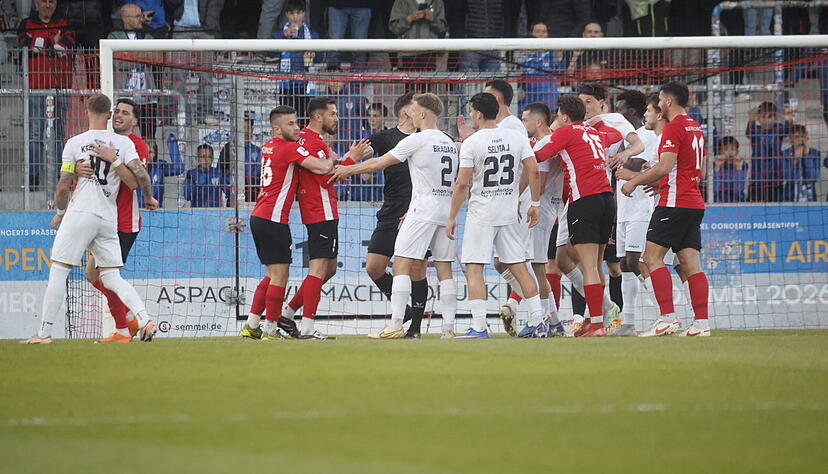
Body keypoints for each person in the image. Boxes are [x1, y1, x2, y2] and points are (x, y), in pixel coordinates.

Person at [21, 94, 158, 344]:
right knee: (111, 276)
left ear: (86, 112)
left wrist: (62, 210)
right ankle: (145, 319)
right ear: (109, 115)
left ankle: (44, 333)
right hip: (108, 217)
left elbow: (63, 187)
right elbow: (141, 176)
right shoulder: (123, 142)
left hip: (81, 213)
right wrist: (149, 197)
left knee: (60, 270)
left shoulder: (74, 143)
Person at [329, 93, 459, 339]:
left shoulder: (417, 140)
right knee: (444, 269)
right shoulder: (447, 141)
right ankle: (448, 329)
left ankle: (396, 324)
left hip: (420, 210)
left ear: (421, 114)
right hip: (444, 209)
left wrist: (348, 168)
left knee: (402, 264)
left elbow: (378, 164)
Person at [447, 92, 543, 339]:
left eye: (471, 111)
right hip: (510, 211)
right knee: (520, 267)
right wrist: (534, 203)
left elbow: (461, 184)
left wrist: (451, 217)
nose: (471, 115)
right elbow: (533, 170)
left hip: (482, 213)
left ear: (478, 113)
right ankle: (538, 321)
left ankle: (479, 327)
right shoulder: (516, 136)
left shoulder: (472, 142)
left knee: (475, 267)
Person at [620, 82, 711, 337]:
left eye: (659, 99)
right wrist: (663, 182)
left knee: (650, 259)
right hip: (693, 202)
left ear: (668, 102)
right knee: (691, 264)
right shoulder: (696, 128)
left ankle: (667, 318)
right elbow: (700, 171)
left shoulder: (673, 128)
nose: (658, 104)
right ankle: (701, 324)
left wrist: (634, 181)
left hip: (674, 202)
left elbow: (664, 167)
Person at [240, 105, 337, 340]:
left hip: (259, 216)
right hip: (273, 219)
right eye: (290, 124)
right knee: (279, 276)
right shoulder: (289, 148)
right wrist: (333, 157)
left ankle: (252, 325)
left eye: (296, 122)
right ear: (276, 128)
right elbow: (323, 168)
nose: (296, 128)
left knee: (271, 274)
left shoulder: (269, 146)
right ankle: (271, 329)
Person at [281, 96, 371, 339]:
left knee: (328, 269)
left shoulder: (313, 140)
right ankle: (308, 327)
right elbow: (325, 177)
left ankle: (287, 314)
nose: (337, 118)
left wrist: (352, 158)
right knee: (319, 268)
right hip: (319, 211)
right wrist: (352, 159)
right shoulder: (312, 142)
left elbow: (333, 164)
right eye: (333, 114)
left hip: (321, 210)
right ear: (318, 116)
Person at [534, 94, 621, 337]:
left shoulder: (566, 132)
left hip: (585, 200)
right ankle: (599, 317)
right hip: (607, 199)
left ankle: (597, 324)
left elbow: (540, 155)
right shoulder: (594, 133)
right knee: (595, 263)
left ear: (563, 116)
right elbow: (615, 135)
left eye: (557, 116)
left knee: (587, 265)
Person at [360, 93, 435, 338]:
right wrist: (346, 163)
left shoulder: (428, 139)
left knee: (416, 270)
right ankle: (404, 313)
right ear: (405, 112)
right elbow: (360, 154)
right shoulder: (385, 138)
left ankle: (414, 328)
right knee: (374, 267)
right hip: (391, 212)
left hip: (419, 213)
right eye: (416, 106)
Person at [86, 98, 157, 343]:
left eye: (125, 113)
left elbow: (135, 180)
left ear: (135, 121)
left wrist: (148, 196)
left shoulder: (136, 145)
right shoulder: (102, 141)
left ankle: (128, 325)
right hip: (101, 218)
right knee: (94, 275)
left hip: (124, 221)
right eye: (116, 111)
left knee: (105, 276)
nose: (118, 115)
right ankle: (128, 323)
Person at [607, 90, 658, 337]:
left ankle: (665, 313)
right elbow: (617, 175)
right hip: (624, 209)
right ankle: (628, 323)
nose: (617, 112)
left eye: (621, 108)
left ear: (632, 112)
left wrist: (628, 170)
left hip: (643, 205)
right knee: (624, 266)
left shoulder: (647, 136)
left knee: (635, 260)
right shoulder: (621, 139)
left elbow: (643, 167)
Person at [17, 0, 76, 188]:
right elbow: (24, 45)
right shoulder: (25, 24)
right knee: (34, 134)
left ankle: (60, 177)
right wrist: (53, 43)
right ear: (36, 3)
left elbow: (68, 44)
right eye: (44, 1)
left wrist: (42, 44)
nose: (48, 5)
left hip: (61, 88)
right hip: (35, 88)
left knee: (59, 135)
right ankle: (33, 178)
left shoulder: (66, 22)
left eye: (51, 1)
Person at [521, 101, 566, 336]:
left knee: (536, 266)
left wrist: (527, 201)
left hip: (541, 210)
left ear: (538, 121)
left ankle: (548, 320)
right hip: (547, 209)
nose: (523, 123)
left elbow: (540, 177)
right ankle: (554, 321)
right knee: (534, 266)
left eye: (525, 119)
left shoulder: (547, 143)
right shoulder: (546, 141)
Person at [108, 4, 158, 141]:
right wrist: (142, 57)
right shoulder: (113, 37)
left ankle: (149, 162)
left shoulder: (146, 35)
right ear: (125, 18)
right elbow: (119, 62)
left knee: (149, 139)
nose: (141, 19)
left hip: (147, 97)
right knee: (120, 137)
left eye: (141, 15)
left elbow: (155, 58)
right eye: (137, 16)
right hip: (124, 98)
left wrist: (129, 55)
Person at [271, 0, 318, 123]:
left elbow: (321, 57)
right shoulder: (280, 34)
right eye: (292, 13)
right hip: (286, 86)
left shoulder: (312, 35)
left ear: (304, 14)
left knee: (305, 121)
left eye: (298, 13)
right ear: (287, 15)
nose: (295, 17)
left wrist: (314, 54)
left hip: (305, 86)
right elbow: (269, 52)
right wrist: (283, 35)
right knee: (287, 121)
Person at [745, 101, 792, 203]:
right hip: (757, 179)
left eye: (770, 117)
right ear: (758, 117)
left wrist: (788, 120)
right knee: (755, 208)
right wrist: (751, 120)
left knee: (775, 207)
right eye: (763, 117)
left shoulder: (778, 128)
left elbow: (788, 132)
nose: (766, 120)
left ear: (775, 118)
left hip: (775, 178)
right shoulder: (755, 129)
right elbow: (748, 133)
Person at [517, 21, 565, 114]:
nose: (541, 34)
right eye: (538, 31)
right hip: (528, 103)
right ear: (531, 34)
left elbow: (561, 71)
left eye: (544, 31)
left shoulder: (552, 54)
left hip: (550, 103)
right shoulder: (520, 57)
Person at [388, 0, 447, 71]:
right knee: (410, 82)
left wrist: (433, 19)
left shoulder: (437, 2)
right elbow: (394, 28)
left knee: (427, 81)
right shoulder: (400, 2)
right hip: (408, 52)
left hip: (429, 52)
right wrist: (409, 19)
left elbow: (442, 28)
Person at [326, 0, 374, 70]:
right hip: (336, 4)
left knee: (360, 46)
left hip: (363, 4)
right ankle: (333, 77)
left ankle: (358, 78)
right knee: (334, 43)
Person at [141, 134, 185, 207]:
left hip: (156, 210)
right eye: (144, 151)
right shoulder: (133, 167)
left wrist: (172, 143)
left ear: (155, 153)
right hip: (137, 211)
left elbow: (179, 168)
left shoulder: (160, 166)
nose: (147, 155)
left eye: (150, 152)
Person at [781, 125, 820, 202]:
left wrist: (806, 156)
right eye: (796, 137)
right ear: (791, 140)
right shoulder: (785, 154)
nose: (800, 140)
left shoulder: (815, 153)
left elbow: (813, 177)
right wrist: (795, 159)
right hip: (790, 196)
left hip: (809, 196)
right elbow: (787, 177)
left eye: (802, 136)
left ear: (806, 138)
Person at [712, 136, 748, 203]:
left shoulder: (743, 165)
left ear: (737, 151)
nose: (730, 152)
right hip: (719, 201)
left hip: (738, 201)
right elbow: (715, 189)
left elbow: (739, 190)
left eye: (733, 149)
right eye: (726, 149)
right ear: (719, 151)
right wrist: (717, 168)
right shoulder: (714, 165)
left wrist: (738, 168)